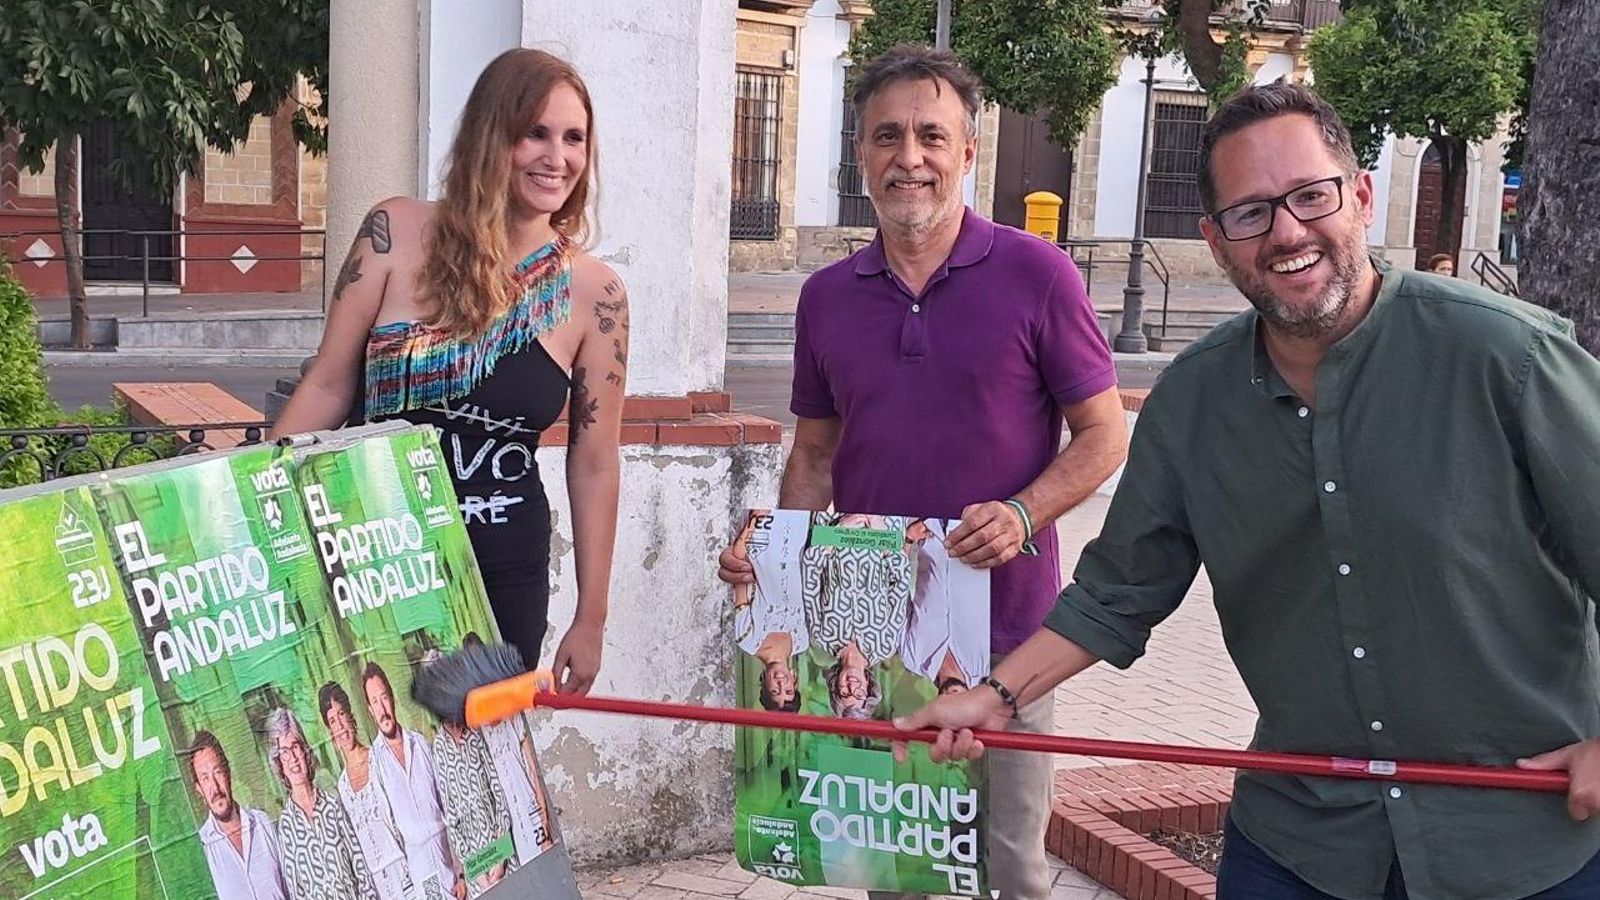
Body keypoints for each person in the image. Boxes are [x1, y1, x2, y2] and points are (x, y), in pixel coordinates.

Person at [898, 82, 1600, 899]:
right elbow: (1118, 591)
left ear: (1362, 196)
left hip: (1523, 840)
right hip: (1302, 841)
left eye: (1311, 196)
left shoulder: (1506, 358)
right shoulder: (1194, 400)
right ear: (1216, 239)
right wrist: (993, 698)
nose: (1288, 232)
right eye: (1251, 212)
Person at [717, 44, 1126, 899]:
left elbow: (1103, 435)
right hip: (869, 637)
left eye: (932, 137)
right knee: (896, 871)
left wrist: (1021, 512)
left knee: (1008, 867)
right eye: (888, 137)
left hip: (1008, 637)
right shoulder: (826, 297)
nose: (911, 158)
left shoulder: (1038, 275)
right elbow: (816, 455)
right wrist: (777, 563)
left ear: (968, 153)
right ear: (860, 153)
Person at [270, 47, 623, 691]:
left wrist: (591, 617)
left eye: (575, 138)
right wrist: (259, 510)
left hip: (500, 569)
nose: (558, 158)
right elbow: (328, 383)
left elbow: (594, 461)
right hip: (369, 552)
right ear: (492, 136)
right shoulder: (394, 232)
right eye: (535, 133)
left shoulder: (595, 295)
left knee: (482, 771)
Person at [364, 662, 464, 900]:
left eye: (384, 698)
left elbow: (446, 801)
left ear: (393, 699)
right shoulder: (375, 763)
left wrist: (460, 871)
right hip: (421, 871)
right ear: (369, 709)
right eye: (375, 702)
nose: (382, 709)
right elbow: (388, 828)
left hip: (447, 856)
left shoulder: (419, 744)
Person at [801, 513, 912, 720]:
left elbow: (810, 571)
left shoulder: (820, 636)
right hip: (884, 525)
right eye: (858, 694)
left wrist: (838, 531)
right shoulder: (885, 645)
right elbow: (900, 580)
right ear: (869, 688)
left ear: (835, 686)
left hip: (833, 519)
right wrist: (881, 533)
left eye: (845, 693)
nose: (852, 686)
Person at [461, 633, 559, 863]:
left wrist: (544, 819)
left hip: (531, 812)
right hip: (506, 824)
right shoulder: (476, 728)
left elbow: (533, 771)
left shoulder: (513, 714)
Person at [266, 707, 379, 900]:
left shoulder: (333, 805)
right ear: (279, 764)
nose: (293, 758)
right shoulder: (285, 827)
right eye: (285, 752)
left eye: (295, 747)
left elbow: (361, 868)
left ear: (304, 750)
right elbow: (296, 892)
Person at [320, 681, 415, 900]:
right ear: (330, 732)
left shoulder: (380, 759)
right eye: (333, 721)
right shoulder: (342, 787)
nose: (340, 726)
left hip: (407, 871)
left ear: (351, 717)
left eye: (341, 714)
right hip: (377, 888)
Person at [190, 730, 289, 900]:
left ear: (228, 772)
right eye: (205, 778)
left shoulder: (262, 823)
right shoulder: (202, 848)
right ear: (199, 788)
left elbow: (293, 886)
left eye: (217, 772)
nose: (215, 787)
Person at [731, 509, 812, 712]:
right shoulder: (803, 639)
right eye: (788, 690)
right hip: (799, 538)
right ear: (795, 680)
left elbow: (739, 571)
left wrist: (754, 522)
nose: (780, 683)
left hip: (763, 537)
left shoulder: (747, 639)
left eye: (775, 691)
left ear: (764, 686)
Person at [901, 518, 988, 694]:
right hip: (974, 528)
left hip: (928, 530)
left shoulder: (913, 658)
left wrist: (908, 540)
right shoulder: (986, 664)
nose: (954, 705)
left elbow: (896, 593)